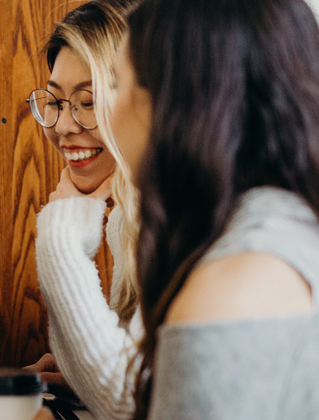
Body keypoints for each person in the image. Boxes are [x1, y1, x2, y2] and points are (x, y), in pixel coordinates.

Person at [112, 0, 319, 418]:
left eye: (117, 84)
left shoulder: (231, 290)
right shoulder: (291, 227)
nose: (107, 112)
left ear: (170, 105)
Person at [26, 1, 142, 418]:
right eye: (55, 101)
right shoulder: (132, 215)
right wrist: (80, 371)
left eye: (87, 102)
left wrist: (59, 241)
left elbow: (134, 404)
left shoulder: (181, 217)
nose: (62, 126)